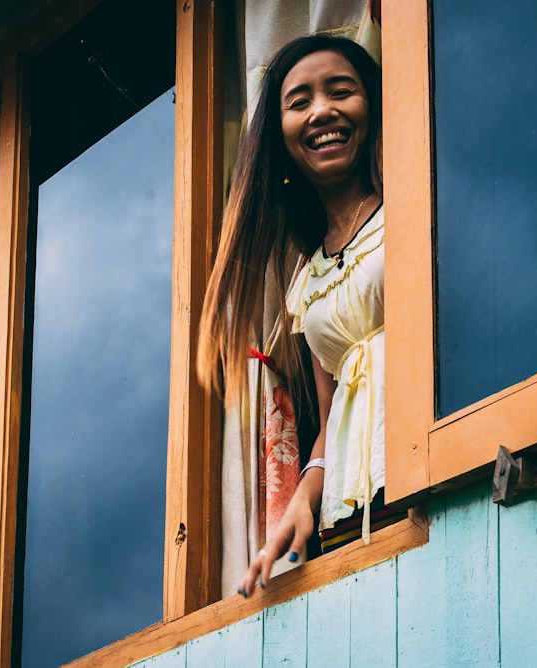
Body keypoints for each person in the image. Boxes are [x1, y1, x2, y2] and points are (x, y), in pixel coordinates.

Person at [197, 34, 387, 598]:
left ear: (373, 106)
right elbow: (330, 421)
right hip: (351, 510)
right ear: (278, 135)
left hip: (429, 467)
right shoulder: (308, 280)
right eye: (299, 101)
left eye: (341, 91)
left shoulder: (417, 206)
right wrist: (300, 505)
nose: (322, 110)